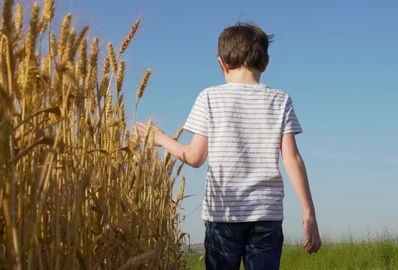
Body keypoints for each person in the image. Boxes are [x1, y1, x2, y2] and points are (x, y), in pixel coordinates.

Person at [136, 22, 321, 270]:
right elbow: (292, 159)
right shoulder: (281, 100)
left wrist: (159, 138)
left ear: (221, 63)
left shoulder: (209, 97)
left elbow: (194, 157)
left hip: (223, 213)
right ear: (266, 63)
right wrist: (309, 213)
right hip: (267, 214)